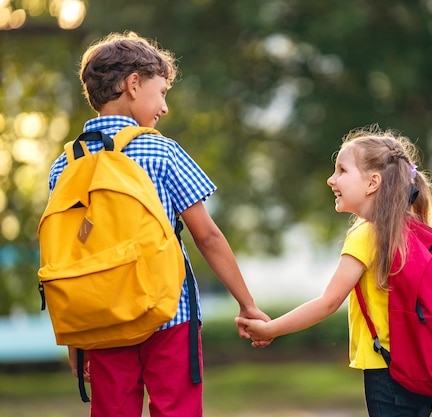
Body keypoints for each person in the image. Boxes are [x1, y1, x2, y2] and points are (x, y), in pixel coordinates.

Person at [47, 31, 271, 417]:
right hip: (170, 313)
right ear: (133, 84)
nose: (164, 107)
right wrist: (248, 304)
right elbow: (208, 236)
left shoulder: (64, 165)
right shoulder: (160, 149)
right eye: (162, 91)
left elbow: (71, 257)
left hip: (101, 322)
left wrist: (76, 340)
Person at [236, 124, 432, 417]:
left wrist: (271, 329)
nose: (331, 180)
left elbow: (328, 302)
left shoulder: (368, 235)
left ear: (372, 183)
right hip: (419, 367)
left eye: (342, 171)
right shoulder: (411, 230)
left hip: (387, 370)